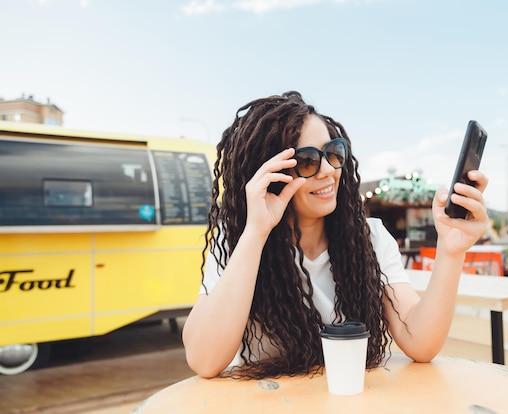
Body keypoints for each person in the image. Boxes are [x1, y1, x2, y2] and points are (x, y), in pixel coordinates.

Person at [182, 91, 490, 380]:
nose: (328, 170)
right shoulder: (239, 241)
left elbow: (420, 341)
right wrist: (257, 231)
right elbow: (204, 360)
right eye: (307, 161)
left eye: (333, 153)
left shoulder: (370, 239)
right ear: (271, 175)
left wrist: (451, 251)